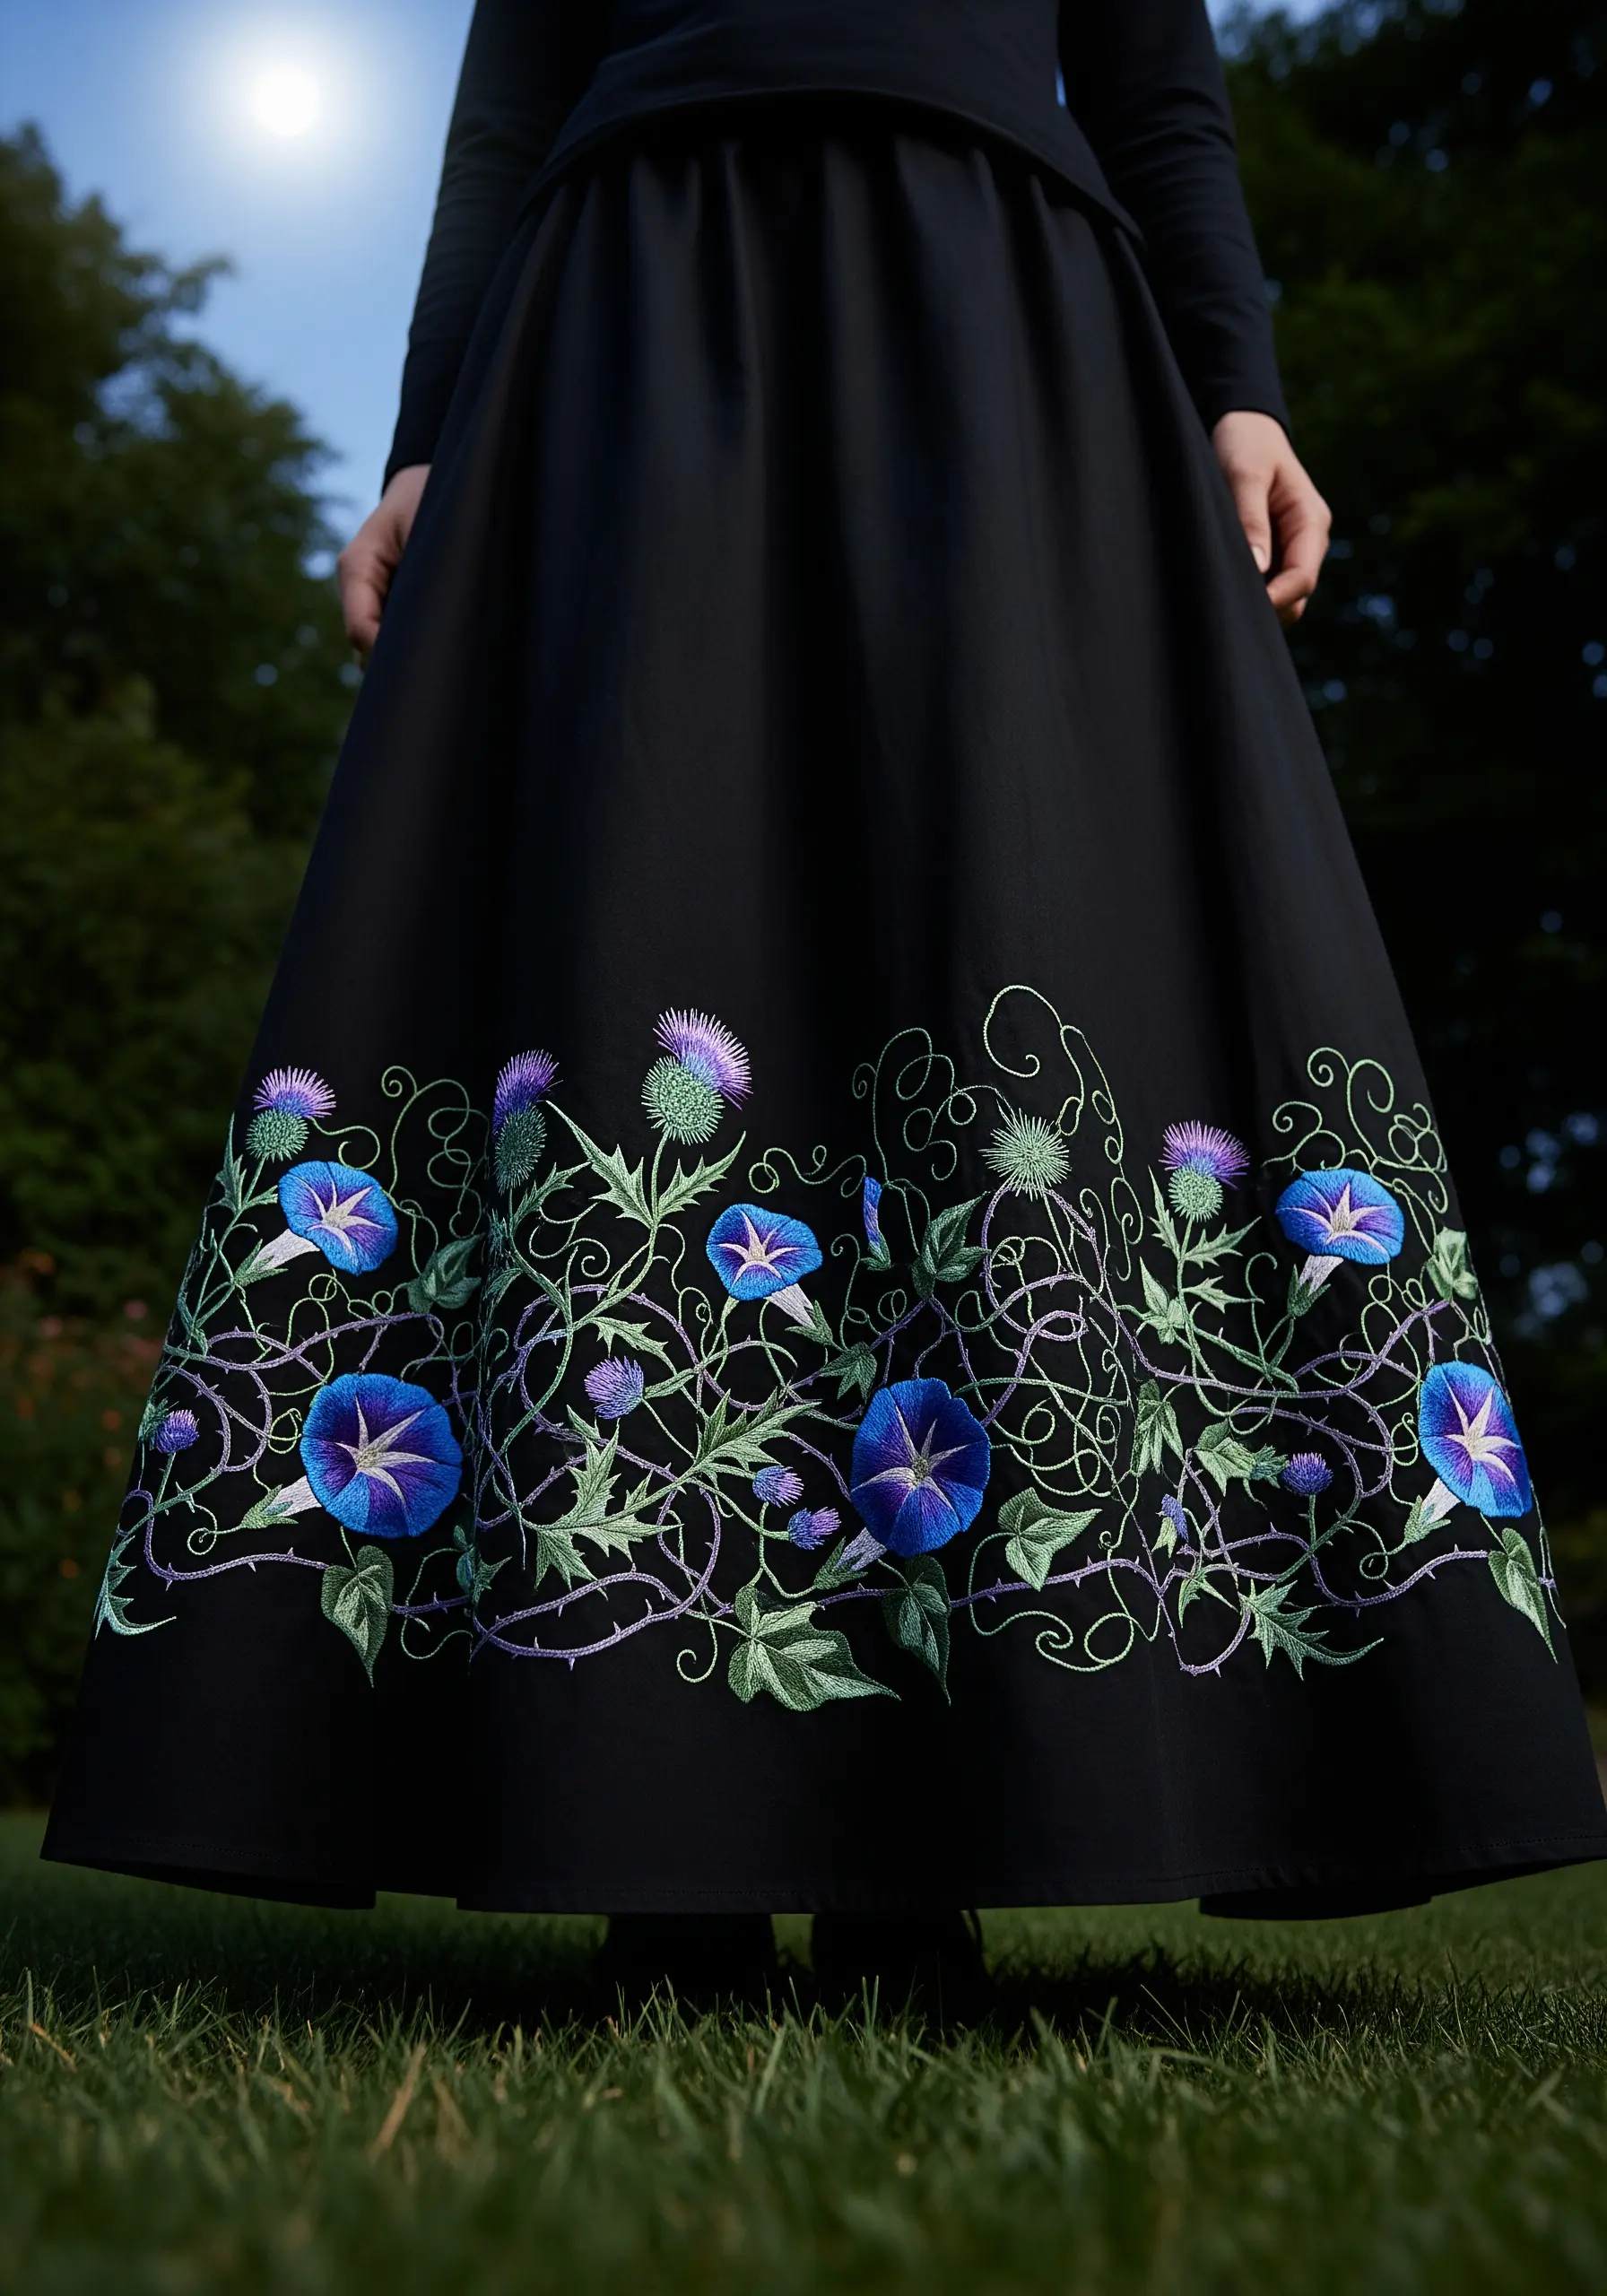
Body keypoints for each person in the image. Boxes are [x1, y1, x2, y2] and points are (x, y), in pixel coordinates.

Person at [45, 0, 1607, 1999]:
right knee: (642, 907)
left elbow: (1153, 81)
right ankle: (644, 1828)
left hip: (997, 304)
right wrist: (426, 441)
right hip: (618, 314)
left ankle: (923, 1839)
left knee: (975, 937)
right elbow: (504, 97)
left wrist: (1236, 382)